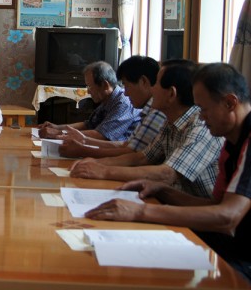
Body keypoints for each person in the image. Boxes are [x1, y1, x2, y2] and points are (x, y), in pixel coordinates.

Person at [85, 63, 251, 282]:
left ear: (230, 103)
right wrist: (163, 191)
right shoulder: (231, 138)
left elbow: (227, 217)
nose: (201, 117)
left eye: (204, 109)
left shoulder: (241, 138)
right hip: (226, 242)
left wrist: (140, 212)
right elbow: (215, 205)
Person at [70, 60, 223, 198]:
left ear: (171, 93)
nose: (152, 89)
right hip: (171, 199)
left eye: (156, 83)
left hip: (200, 212)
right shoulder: (171, 121)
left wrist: (103, 171)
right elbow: (142, 157)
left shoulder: (200, 127)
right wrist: (98, 163)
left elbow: (167, 174)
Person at [58, 55, 166, 158]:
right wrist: (78, 138)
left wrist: (82, 148)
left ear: (143, 82)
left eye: (126, 85)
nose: (126, 93)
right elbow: (126, 145)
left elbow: (133, 155)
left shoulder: (152, 111)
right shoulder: (147, 110)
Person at [39, 61, 141, 141]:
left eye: (90, 86)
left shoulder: (123, 103)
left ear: (105, 85)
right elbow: (88, 124)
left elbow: (102, 135)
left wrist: (58, 133)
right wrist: (57, 127)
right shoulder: (107, 99)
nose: (88, 91)